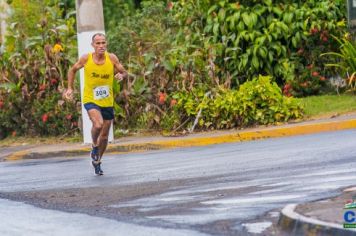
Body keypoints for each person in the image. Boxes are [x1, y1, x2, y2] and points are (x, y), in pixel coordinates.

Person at [64, 33, 127, 176]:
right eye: (98, 43)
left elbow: (124, 72)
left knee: (104, 136)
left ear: (106, 44)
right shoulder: (86, 58)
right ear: (93, 45)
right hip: (90, 98)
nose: (101, 46)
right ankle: (94, 145)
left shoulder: (112, 58)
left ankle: (97, 161)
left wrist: (121, 75)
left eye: (103, 43)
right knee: (97, 124)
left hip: (107, 101)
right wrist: (70, 88)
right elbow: (72, 70)